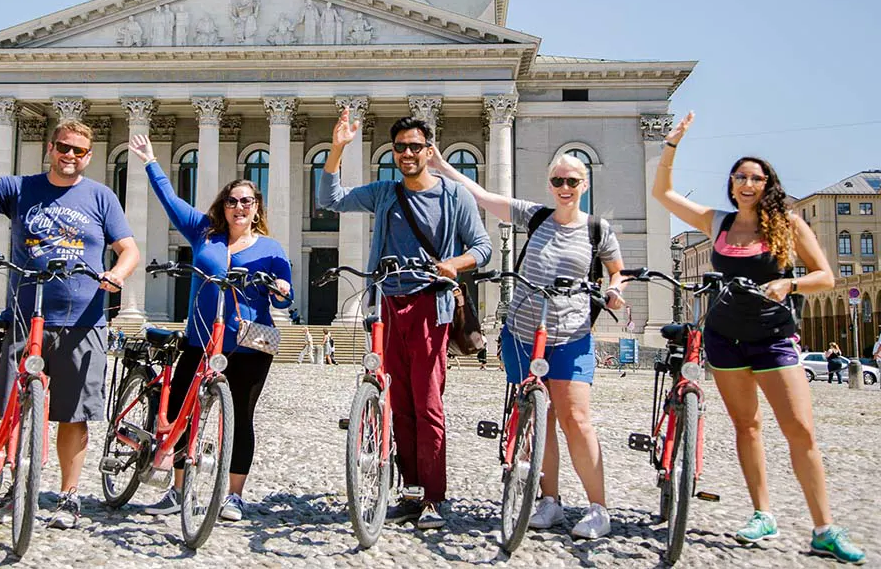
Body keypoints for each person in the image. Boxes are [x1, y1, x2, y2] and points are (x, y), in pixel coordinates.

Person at [652, 111, 865, 564]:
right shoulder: (719, 223)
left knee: (800, 431)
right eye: (739, 177)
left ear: (768, 184)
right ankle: (762, 513)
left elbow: (826, 275)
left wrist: (791, 284)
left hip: (774, 338)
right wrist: (671, 146)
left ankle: (824, 527)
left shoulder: (786, 225)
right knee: (746, 427)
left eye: (755, 178)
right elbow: (663, 193)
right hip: (725, 337)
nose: (746, 184)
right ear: (731, 185)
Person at [0, 119, 140, 531]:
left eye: (79, 151)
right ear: (51, 147)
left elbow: (129, 249)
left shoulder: (100, 197)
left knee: (75, 414)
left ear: (89, 156)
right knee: (13, 408)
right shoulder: (19, 188)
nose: (71, 156)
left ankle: (68, 497)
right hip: (25, 315)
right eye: (64, 147)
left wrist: (118, 274)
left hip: (83, 320)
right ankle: (16, 487)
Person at [434, 146, 627, 539]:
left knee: (576, 419)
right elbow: (483, 197)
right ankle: (549, 501)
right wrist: (440, 166)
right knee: (538, 421)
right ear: (549, 184)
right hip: (522, 334)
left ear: (584, 184)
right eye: (558, 180)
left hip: (571, 334)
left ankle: (597, 507)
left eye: (572, 181)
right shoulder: (535, 216)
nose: (565, 187)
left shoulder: (596, 230)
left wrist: (614, 290)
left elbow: (616, 270)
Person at [319, 112, 491, 529]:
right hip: (389, 307)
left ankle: (434, 496)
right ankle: (411, 492)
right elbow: (331, 199)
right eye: (401, 147)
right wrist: (338, 147)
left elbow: (483, 247)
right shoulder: (385, 193)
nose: (408, 153)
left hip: (432, 307)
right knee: (400, 405)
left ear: (429, 151)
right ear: (394, 153)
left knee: (428, 403)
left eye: (416, 146)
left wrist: (454, 263)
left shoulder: (454, 196)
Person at [128, 134, 292, 522]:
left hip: (249, 346)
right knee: (185, 414)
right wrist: (152, 161)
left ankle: (233, 495)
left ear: (257, 208)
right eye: (232, 201)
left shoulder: (272, 249)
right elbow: (170, 202)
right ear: (223, 206)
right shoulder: (204, 233)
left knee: (241, 420)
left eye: (246, 202)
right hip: (200, 339)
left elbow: (285, 298)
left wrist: (282, 290)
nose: (238, 207)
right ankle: (179, 488)